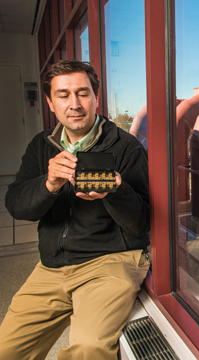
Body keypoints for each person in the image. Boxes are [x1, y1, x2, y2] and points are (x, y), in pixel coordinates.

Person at [0, 60, 150, 360]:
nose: (74, 104)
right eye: (63, 95)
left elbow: (141, 224)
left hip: (109, 262)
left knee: (88, 350)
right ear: (50, 101)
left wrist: (116, 191)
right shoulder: (41, 146)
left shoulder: (126, 147)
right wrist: (49, 183)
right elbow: (17, 205)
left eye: (83, 93)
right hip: (52, 265)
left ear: (96, 97)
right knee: (7, 349)